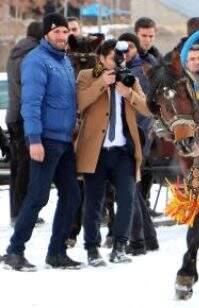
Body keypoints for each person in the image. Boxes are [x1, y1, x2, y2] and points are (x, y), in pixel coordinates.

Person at [3, 13, 83, 271]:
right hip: (44, 140)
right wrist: (33, 139)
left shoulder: (64, 62)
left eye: (64, 31)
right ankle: (14, 251)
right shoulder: (37, 61)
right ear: (46, 34)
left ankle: (56, 252)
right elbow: (31, 104)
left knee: (72, 195)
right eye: (56, 31)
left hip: (63, 140)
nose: (62, 36)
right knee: (38, 196)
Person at [75, 39, 151, 266]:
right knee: (93, 202)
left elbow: (147, 109)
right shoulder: (87, 76)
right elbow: (79, 103)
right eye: (112, 59)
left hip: (122, 153)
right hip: (96, 151)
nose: (118, 63)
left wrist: (128, 93)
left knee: (127, 200)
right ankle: (92, 248)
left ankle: (120, 246)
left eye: (122, 59)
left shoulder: (130, 78)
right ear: (101, 58)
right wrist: (101, 83)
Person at [117, 32, 160, 255]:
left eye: (130, 48)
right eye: (121, 49)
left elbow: (145, 111)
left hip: (134, 138)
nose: (125, 53)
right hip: (125, 138)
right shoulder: (118, 70)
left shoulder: (139, 71)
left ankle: (137, 241)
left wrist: (137, 140)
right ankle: (148, 237)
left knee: (127, 188)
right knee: (132, 188)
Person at [5, 21, 44, 227]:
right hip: (22, 117)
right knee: (25, 167)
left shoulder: (15, 53)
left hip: (12, 115)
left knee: (17, 166)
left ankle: (16, 212)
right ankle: (21, 214)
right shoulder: (31, 56)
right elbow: (29, 91)